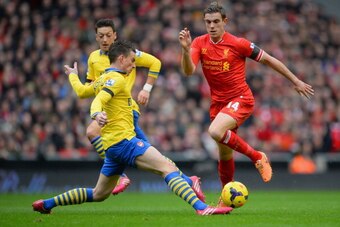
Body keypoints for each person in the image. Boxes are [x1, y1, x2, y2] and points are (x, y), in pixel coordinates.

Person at [32, 40, 232, 215]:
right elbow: (98, 101)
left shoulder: (102, 78)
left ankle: (47, 203)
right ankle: (201, 207)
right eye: (131, 60)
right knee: (167, 167)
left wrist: (73, 76)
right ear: (121, 58)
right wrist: (96, 113)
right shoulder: (117, 79)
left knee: (99, 194)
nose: (133, 64)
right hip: (124, 141)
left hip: (111, 147)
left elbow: (83, 91)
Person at [178, 2, 314, 204]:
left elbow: (269, 60)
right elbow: (188, 71)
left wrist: (295, 81)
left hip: (240, 99)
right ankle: (226, 196)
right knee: (224, 153)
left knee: (215, 132)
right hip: (219, 104)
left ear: (225, 22)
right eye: (208, 22)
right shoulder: (199, 42)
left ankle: (257, 156)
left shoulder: (238, 43)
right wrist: (186, 50)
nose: (212, 26)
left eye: (216, 21)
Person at [70, 18, 205, 200]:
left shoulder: (127, 54)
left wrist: (146, 89)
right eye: (101, 36)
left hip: (125, 110)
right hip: (108, 111)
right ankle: (189, 180)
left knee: (92, 131)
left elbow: (155, 63)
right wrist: (73, 77)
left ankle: (121, 177)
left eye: (108, 35)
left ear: (115, 35)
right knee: (154, 157)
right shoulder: (93, 58)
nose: (105, 40)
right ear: (95, 37)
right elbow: (89, 90)